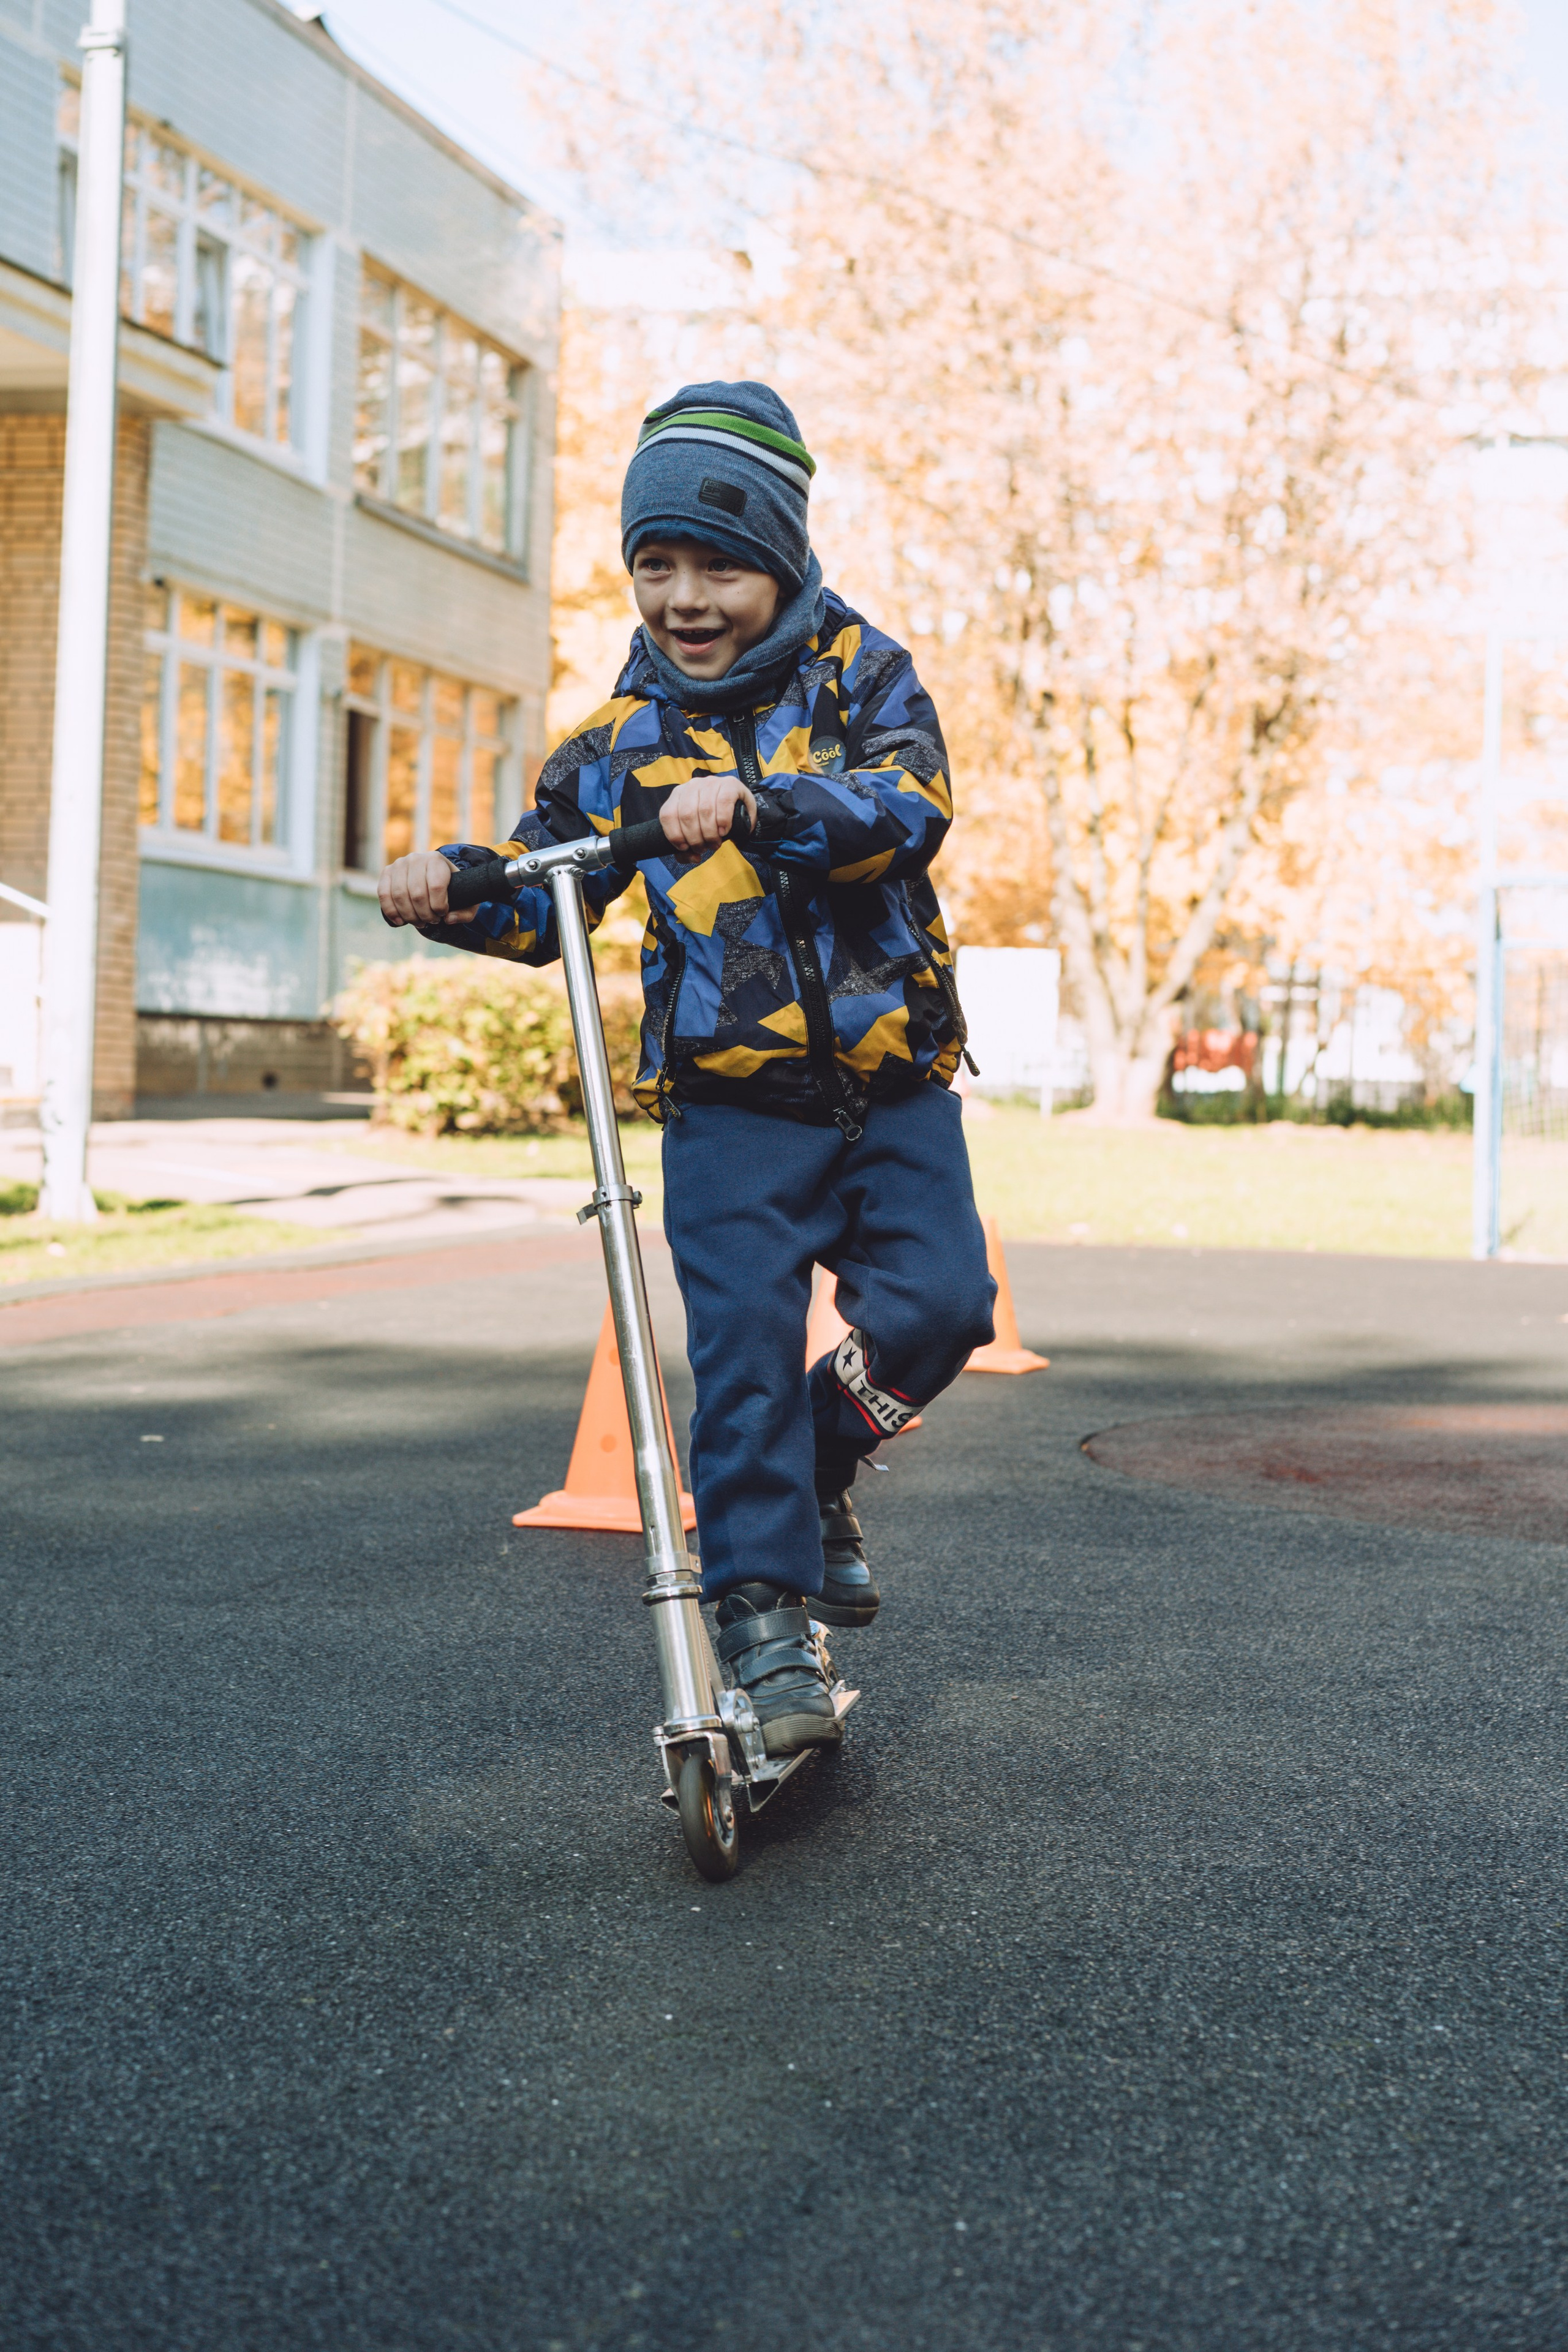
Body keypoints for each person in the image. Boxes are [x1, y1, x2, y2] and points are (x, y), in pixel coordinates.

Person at [379, 379, 995, 1756]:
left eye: (719, 564)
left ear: (780, 558)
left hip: (890, 1085)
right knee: (740, 1361)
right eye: (654, 564)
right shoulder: (615, 749)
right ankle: (762, 1622)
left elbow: (908, 810)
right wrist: (453, 889)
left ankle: (822, 1458)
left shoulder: (862, 676)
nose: (685, 597)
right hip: (728, 1109)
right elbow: (546, 894)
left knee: (944, 1309)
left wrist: (765, 806)